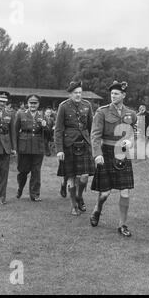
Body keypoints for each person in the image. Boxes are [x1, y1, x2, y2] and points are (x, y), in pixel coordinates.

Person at [90, 81, 137, 237]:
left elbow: (133, 131)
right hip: (106, 153)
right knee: (105, 193)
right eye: (112, 93)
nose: (114, 96)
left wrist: (130, 140)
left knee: (125, 191)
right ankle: (97, 209)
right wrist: (97, 154)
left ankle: (122, 225)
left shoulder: (131, 114)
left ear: (123, 95)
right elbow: (95, 135)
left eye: (117, 93)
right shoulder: (102, 112)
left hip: (123, 153)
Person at [54, 81, 95, 215]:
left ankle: (79, 196)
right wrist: (59, 149)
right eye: (75, 93)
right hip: (69, 145)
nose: (78, 95)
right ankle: (73, 206)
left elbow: (91, 127)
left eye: (80, 92)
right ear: (70, 94)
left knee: (84, 176)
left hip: (84, 143)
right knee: (70, 176)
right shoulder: (63, 106)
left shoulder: (87, 105)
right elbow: (58, 130)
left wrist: (92, 144)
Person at [14, 94, 49, 201]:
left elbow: (48, 133)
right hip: (24, 146)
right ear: (27, 104)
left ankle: (34, 195)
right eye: (31, 103)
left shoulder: (43, 115)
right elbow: (15, 131)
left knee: (36, 171)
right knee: (23, 171)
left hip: (38, 147)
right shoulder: (20, 114)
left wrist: (45, 126)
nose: (33, 105)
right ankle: (20, 188)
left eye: (35, 103)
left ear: (38, 104)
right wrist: (14, 148)